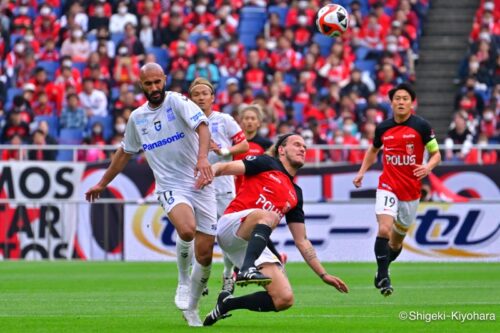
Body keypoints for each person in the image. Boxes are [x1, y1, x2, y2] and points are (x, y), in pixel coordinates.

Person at [85, 63, 216, 327]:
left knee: (205, 255)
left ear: (164, 80)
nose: (154, 88)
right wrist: (102, 183)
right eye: (149, 84)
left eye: (158, 82)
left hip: (200, 183)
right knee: (187, 230)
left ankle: (191, 308)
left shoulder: (178, 102)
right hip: (170, 185)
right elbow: (124, 153)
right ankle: (182, 279)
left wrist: (202, 158)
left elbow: (203, 126)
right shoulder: (137, 118)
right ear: (141, 85)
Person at [197, 134, 349, 326]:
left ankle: (227, 304)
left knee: (284, 299)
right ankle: (246, 269)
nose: (302, 149)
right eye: (296, 144)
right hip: (232, 225)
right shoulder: (266, 163)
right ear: (281, 150)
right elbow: (224, 167)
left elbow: (302, 240)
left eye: (304, 147)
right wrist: (209, 172)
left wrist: (323, 274)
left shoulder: (296, 193)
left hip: (250, 243)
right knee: (269, 215)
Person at [352, 83, 441, 296]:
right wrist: (362, 171)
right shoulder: (383, 128)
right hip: (388, 185)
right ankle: (384, 277)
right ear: (391, 103)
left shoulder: (421, 126)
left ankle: (382, 269)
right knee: (384, 229)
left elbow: (436, 154)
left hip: (411, 192)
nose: (401, 102)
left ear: (412, 103)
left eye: (405, 99)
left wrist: (428, 167)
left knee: (395, 242)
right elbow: (373, 150)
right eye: (397, 99)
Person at [188, 78, 249, 295]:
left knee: (227, 235)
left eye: (205, 93)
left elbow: (244, 144)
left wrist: (223, 151)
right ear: (190, 99)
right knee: (200, 235)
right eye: (197, 94)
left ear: (212, 97)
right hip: (197, 187)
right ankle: (199, 280)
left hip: (223, 186)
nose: (201, 97)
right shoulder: (185, 122)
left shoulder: (224, 120)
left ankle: (227, 274)